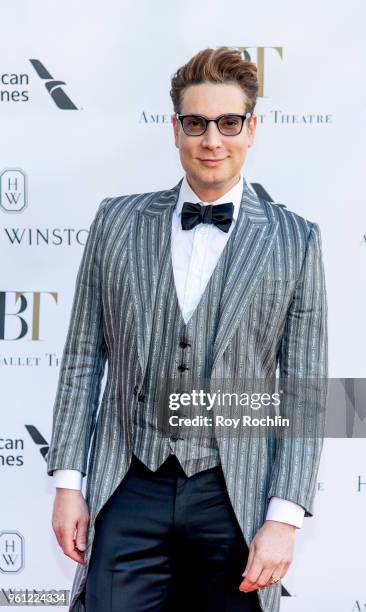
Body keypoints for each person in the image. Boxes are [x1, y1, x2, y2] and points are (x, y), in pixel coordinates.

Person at [47, 46, 328, 612]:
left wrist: (284, 517)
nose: (212, 140)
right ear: (175, 129)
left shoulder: (294, 240)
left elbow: (304, 388)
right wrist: (68, 483)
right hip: (128, 483)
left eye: (228, 123)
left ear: (252, 129)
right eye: (196, 123)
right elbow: (83, 356)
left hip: (234, 493)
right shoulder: (116, 222)